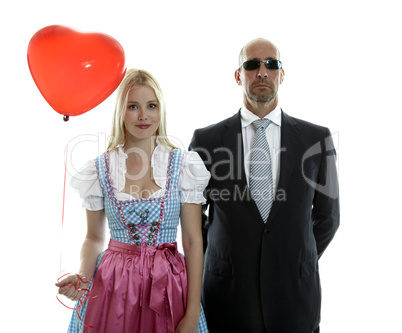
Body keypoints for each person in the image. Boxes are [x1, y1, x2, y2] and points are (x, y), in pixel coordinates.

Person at [189, 38, 340, 332]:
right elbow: (194, 219)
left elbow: (328, 218)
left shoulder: (317, 140)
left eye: (271, 64)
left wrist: (294, 255)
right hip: (226, 296)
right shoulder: (205, 141)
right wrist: (224, 255)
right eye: (252, 65)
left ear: (282, 74)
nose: (262, 72)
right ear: (238, 75)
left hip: (295, 297)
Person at [56, 68, 210, 333]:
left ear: (161, 111)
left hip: (170, 286)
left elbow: (193, 241)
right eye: (133, 106)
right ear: (120, 112)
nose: (143, 115)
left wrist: (193, 310)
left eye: (151, 105)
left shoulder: (183, 165)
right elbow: (93, 238)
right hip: (112, 287)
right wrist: (82, 278)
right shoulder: (100, 169)